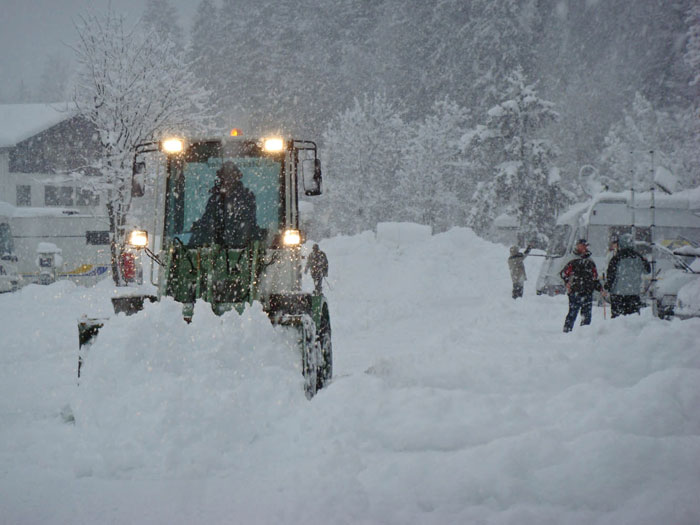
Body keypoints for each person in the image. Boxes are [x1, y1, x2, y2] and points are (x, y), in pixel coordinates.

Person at [189, 161, 258, 247]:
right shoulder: (214, 200)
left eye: (231, 176)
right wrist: (200, 227)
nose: (227, 180)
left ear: (237, 177)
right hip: (215, 251)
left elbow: (247, 225)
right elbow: (208, 221)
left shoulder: (246, 198)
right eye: (224, 176)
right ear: (221, 178)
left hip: (241, 251)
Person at [560, 239, 605, 332]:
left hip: (588, 291)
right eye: (582, 245)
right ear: (577, 246)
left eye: (585, 245)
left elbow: (595, 277)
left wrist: (600, 288)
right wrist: (567, 282)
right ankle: (567, 330)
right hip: (574, 290)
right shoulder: (572, 260)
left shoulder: (590, 261)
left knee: (587, 314)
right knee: (572, 312)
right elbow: (563, 274)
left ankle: (585, 332)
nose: (584, 247)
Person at [605, 233, 651, 317]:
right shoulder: (639, 257)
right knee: (632, 319)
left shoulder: (616, 258)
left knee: (617, 319)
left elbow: (611, 275)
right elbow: (647, 271)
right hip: (634, 293)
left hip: (618, 294)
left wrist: (607, 287)